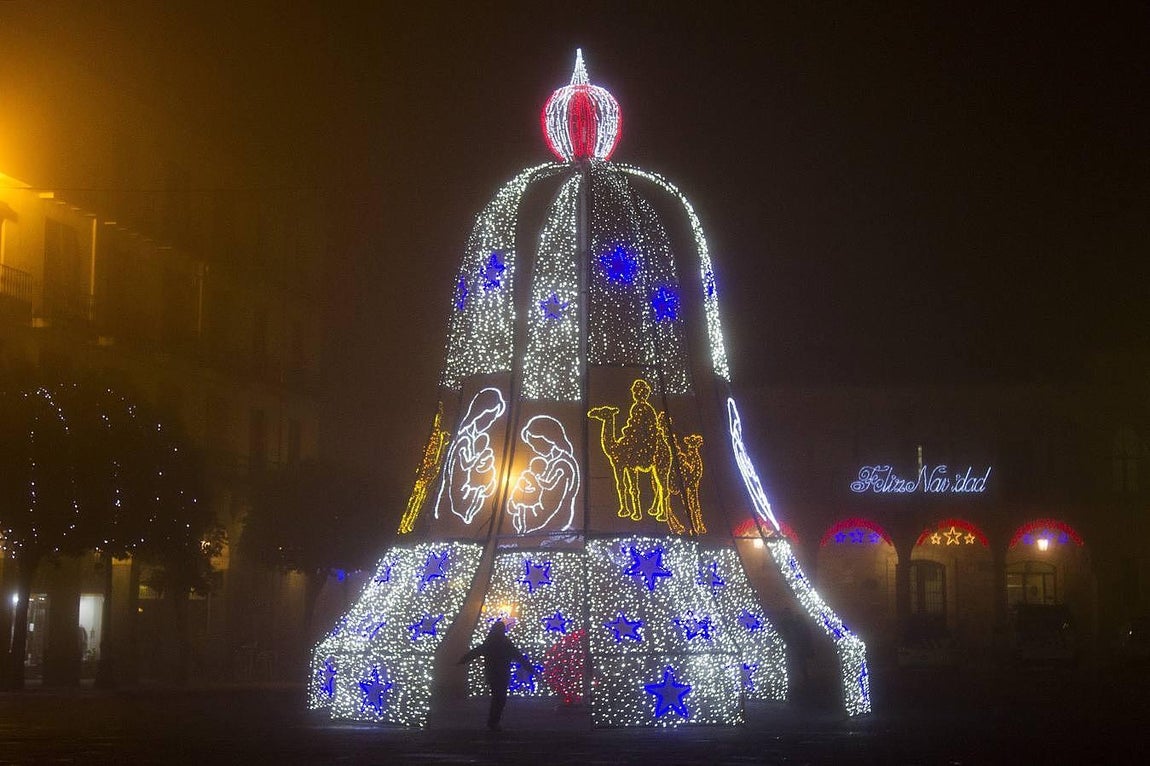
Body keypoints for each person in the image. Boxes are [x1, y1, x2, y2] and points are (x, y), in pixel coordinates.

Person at [458, 620, 529, 731]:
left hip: (493, 673)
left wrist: (463, 660)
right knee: (500, 698)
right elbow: (517, 655)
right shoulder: (505, 642)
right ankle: (493, 722)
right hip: (502, 673)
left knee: (497, 697)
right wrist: (529, 667)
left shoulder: (490, 642)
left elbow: (476, 652)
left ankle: (493, 722)